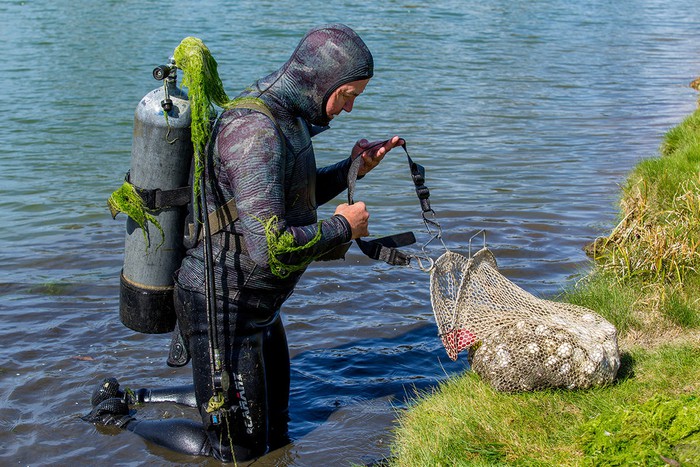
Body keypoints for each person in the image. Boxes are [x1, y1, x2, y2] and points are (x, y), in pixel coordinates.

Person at [84, 24, 404, 462]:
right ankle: (118, 418)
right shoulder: (255, 133)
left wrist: (354, 169)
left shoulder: (287, 118)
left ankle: (144, 396)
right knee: (238, 452)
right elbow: (268, 247)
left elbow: (293, 195)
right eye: (347, 95)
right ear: (319, 81)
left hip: (259, 306)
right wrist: (343, 228)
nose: (348, 108)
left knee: (276, 427)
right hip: (223, 310)